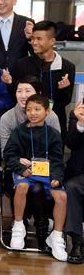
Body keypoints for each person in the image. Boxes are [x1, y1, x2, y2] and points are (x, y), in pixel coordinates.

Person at [0, 77, 61, 252]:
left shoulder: (51, 117)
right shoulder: (7, 118)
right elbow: (5, 152)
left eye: (28, 91)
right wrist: (19, 162)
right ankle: (27, 226)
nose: (23, 95)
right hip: (16, 169)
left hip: (45, 170)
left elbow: (56, 150)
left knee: (39, 188)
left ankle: (40, 231)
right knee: (30, 187)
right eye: (19, 91)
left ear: (38, 94)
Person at [10, 21, 75, 137]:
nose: (34, 42)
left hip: (54, 124)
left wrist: (63, 89)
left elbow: (65, 101)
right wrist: (10, 83)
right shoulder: (22, 64)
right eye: (33, 38)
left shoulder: (67, 67)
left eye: (39, 39)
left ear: (52, 41)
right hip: (27, 124)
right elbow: (15, 95)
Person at [65, 102, 84, 264]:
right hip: (79, 173)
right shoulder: (76, 113)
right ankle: (77, 242)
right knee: (72, 187)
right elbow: (71, 143)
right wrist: (80, 123)